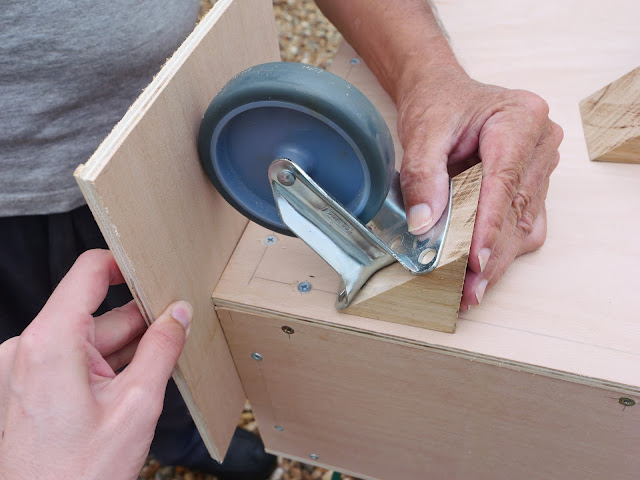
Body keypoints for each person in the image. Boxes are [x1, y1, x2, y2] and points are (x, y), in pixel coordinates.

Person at [0, 0, 562, 477]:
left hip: (161, 142)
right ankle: (152, 439)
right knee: (37, 361)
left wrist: (428, 73)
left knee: (143, 346)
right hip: (12, 205)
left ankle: (176, 436)